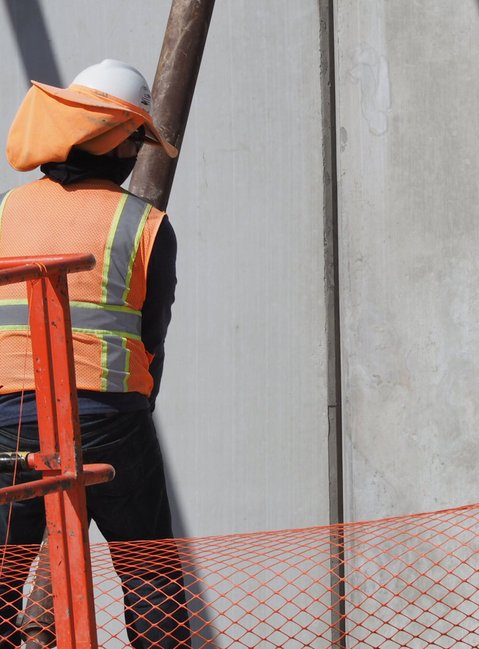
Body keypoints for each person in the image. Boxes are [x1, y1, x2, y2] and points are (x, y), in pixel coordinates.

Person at [0, 59, 190, 648]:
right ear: (116, 143)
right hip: (108, 419)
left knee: (3, 581)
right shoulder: (146, 225)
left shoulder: (6, 212)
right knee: (150, 576)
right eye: (135, 139)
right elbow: (150, 340)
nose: (138, 151)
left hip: (10, 422)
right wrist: (129, 404)